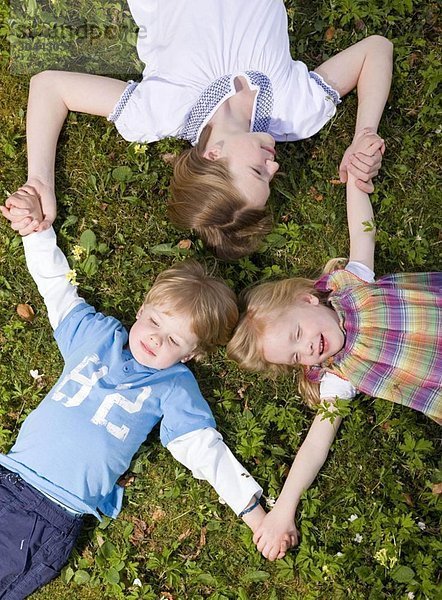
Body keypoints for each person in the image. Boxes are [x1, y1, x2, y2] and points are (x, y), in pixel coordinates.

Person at [0, 188, 287, 600]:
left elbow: (204, 449)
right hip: (8, 474)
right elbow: (56, 289)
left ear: (191, 355)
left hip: (49, 514)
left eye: (173, 340)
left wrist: (255, 515)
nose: (155, 339)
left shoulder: (173, 387)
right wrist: (34, 231)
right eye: (153, 322)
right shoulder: (95, 335)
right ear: (141, 310)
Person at [4, 0, 393, 259]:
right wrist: (363, 133)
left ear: (213, 156)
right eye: (270, 178)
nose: (274, 167)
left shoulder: (157, 114)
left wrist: (40, 181)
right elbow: (376, 48)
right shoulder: (297, 112)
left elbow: (49, 86)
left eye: (258, 171)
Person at [226, 131, 441, 561]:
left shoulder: (352, 284)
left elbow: (362, 229)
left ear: (308, 299)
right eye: (295, 356)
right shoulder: (337, 376)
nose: (307, 350)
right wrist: (283, 509)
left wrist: (356, 179)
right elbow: (315, 444)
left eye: (297, 335)